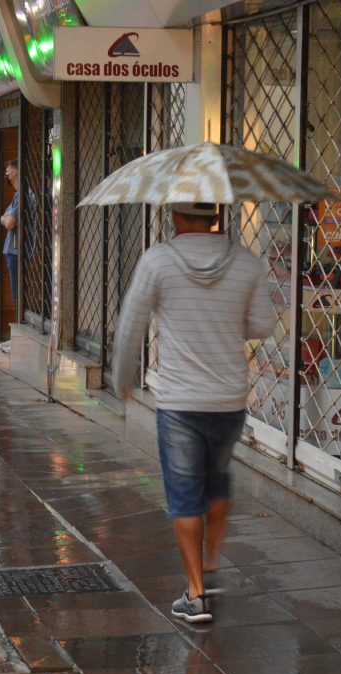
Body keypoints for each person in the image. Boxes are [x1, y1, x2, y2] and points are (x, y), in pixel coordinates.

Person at [112, 202, 275, 624]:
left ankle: (196, 594)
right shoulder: (246, 262)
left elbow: (131, 323)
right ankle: (213, 566)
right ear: (216, 216)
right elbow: (263, 324)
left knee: (185, 493)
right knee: (217, 482)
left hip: (181, 402)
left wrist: (122, 378)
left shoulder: (158, 260)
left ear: (176, 216)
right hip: (228, 399)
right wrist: (221, 317)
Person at [0, 160, 20, 307]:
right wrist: (6, 219)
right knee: (15, 288)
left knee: (16, 291)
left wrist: (7, 219)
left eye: (8, 171)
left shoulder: (21, 195)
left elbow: (9, 222)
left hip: (16, 250)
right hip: (12, 250)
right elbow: (4, 218)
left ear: (15, 173)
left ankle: (19, 316)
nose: (6, 174)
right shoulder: (16, 196)